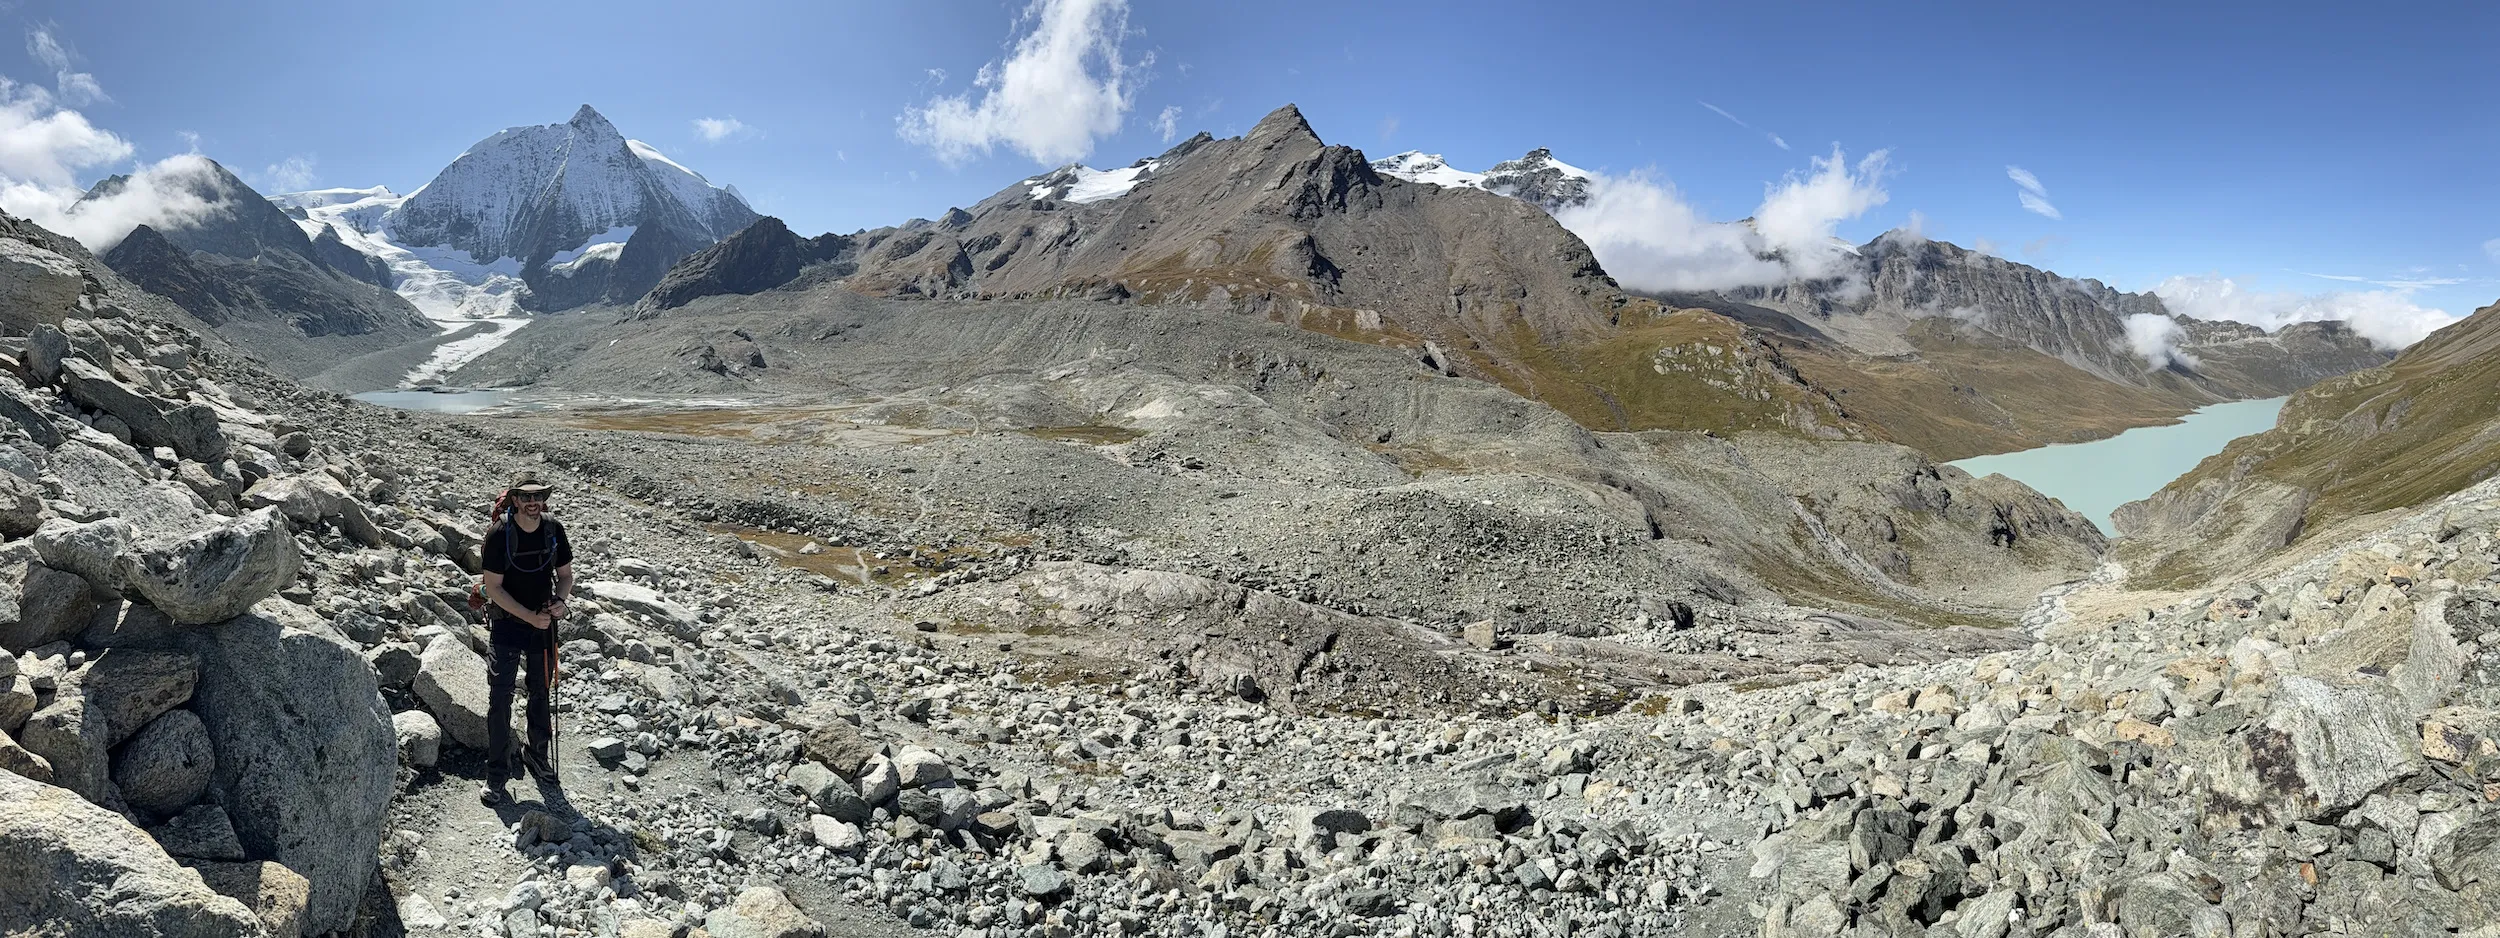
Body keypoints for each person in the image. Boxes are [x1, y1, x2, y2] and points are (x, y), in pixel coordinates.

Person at [478, 469, 574, 806]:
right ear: (515, 499)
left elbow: (564, 576)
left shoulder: (553, 529)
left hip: (542, 622)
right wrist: (531, 617)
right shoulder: (499, 534)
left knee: (540, 691)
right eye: (526, 496)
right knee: (500, 699)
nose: (533, 502)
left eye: (538, 496)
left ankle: (536, 755)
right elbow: (493, 589)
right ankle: (496, 775)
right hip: (508, 624)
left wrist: (560, 602)